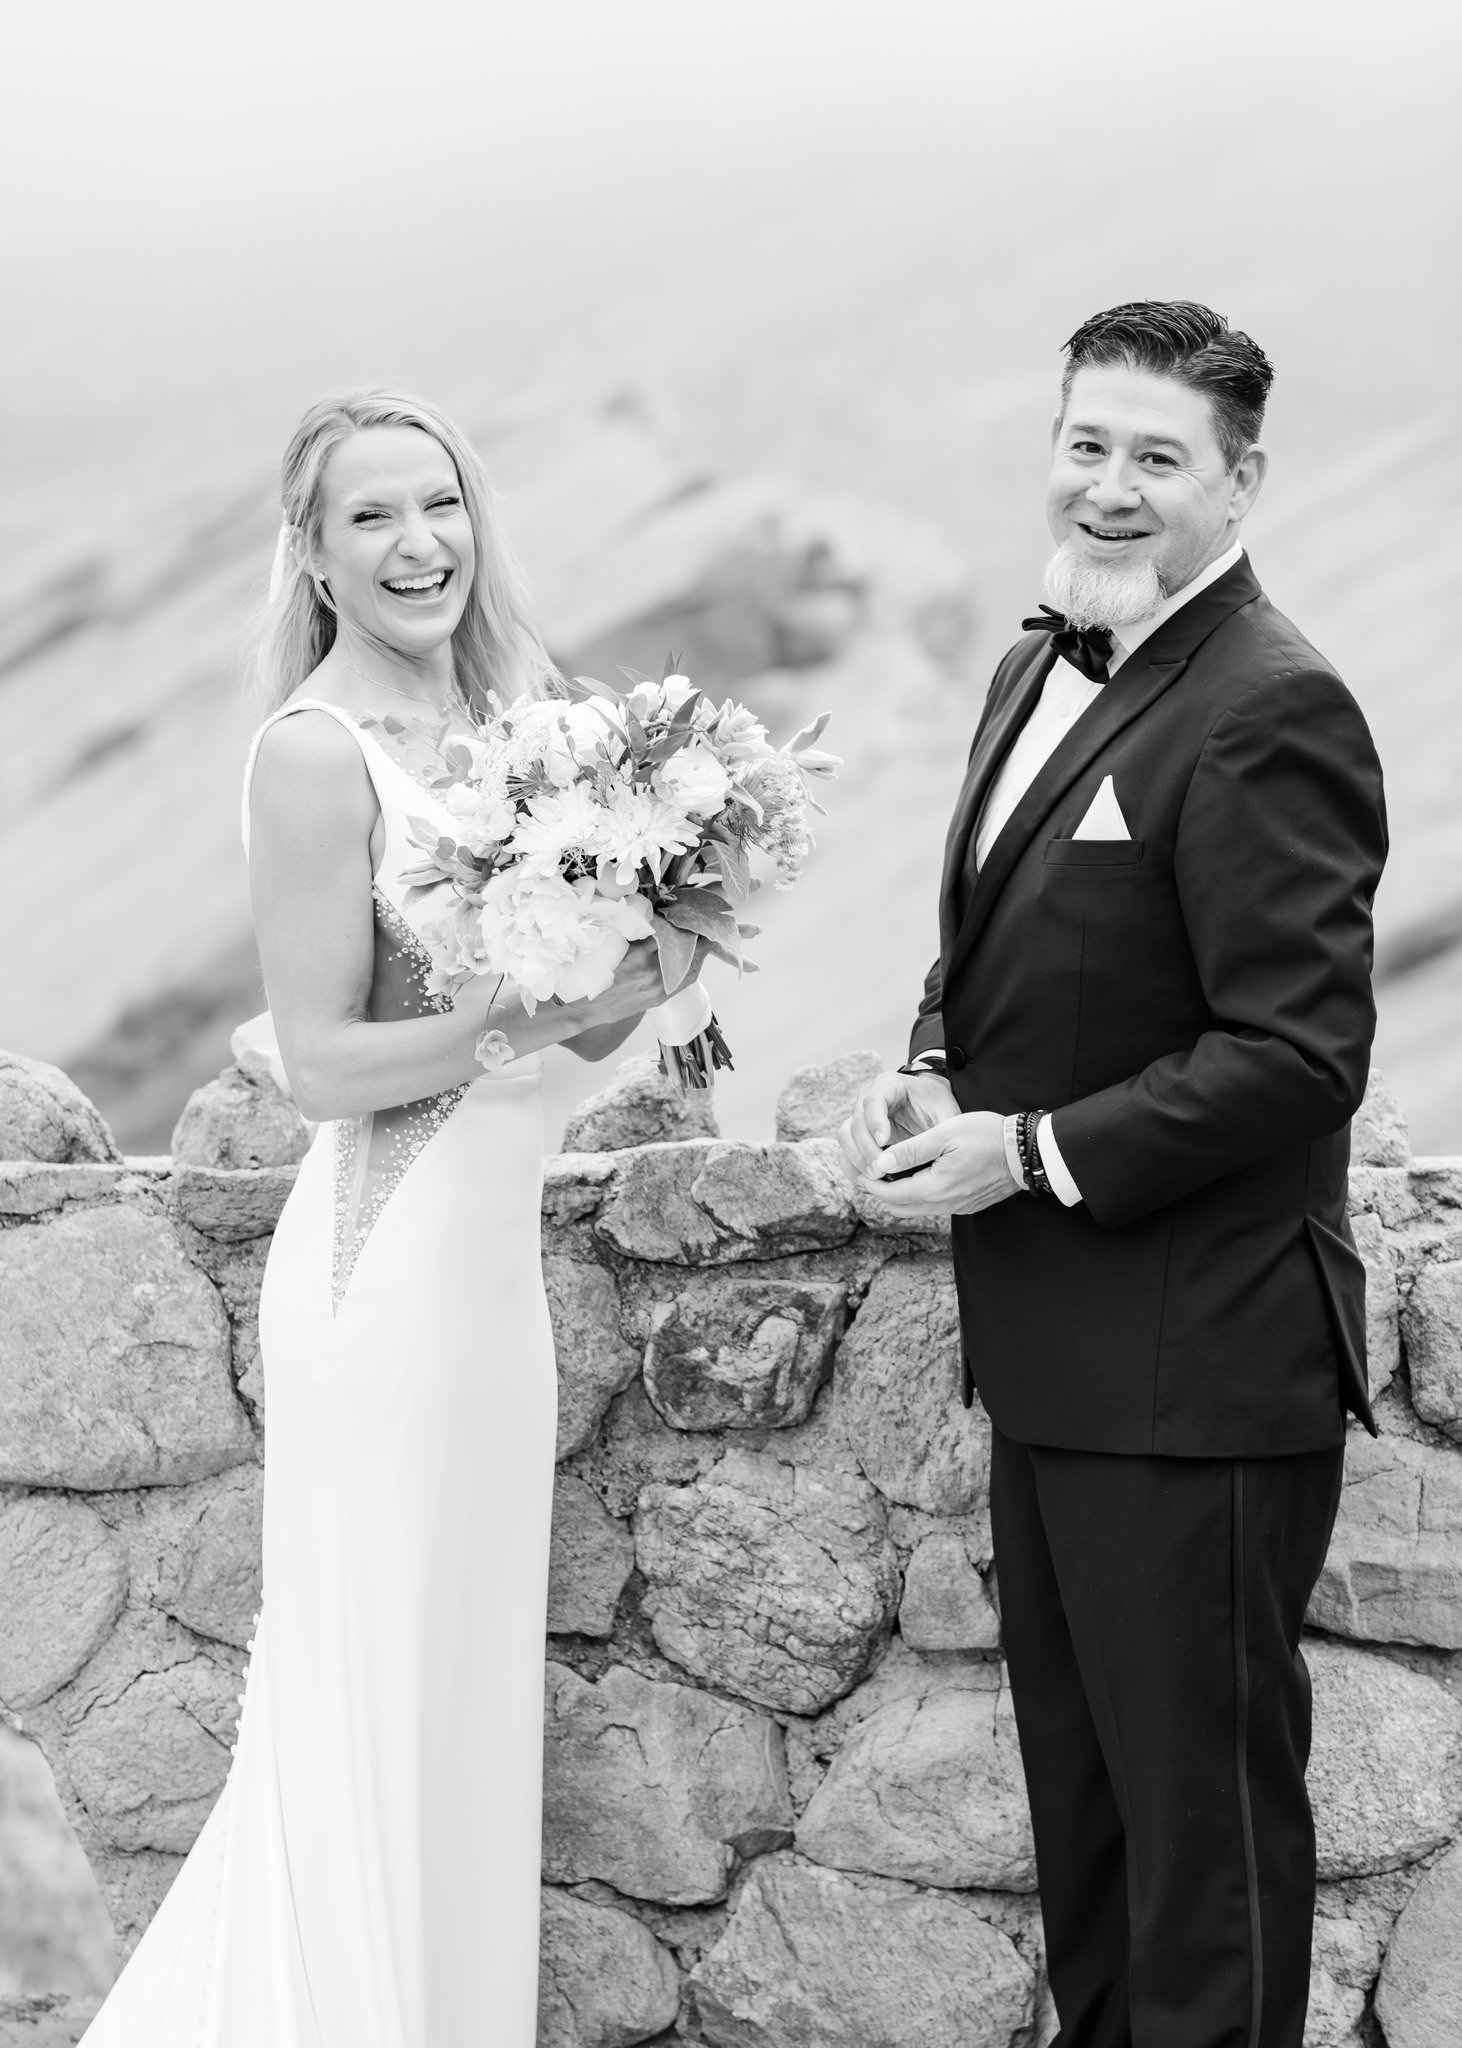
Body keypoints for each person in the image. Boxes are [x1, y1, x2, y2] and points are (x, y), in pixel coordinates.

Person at [79, 389, 698, 2047]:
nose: (420, 540)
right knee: (368, 1689)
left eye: (441, 503)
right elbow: (332, 1066)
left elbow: (586, 1029)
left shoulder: (540, 734)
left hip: (495, 1292)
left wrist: (654, 973)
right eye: (373, 517)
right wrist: (521, 1020)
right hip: (387, 1273)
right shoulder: (310, 753)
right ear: (318, 557)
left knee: (460, 1696)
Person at [840, 302, 1387, 2048]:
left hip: (1200, 1367)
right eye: (1088, 444)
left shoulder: (1270, 704)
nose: (1111, 486)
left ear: (1238, 484)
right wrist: (926, 1069)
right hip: (1058, 1355)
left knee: (1200, 1854)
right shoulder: (1039, 659)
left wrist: (1032, 1152)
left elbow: (1300, 1053)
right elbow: (1003, 949)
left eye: (1158, 458)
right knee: (1084, 1835)